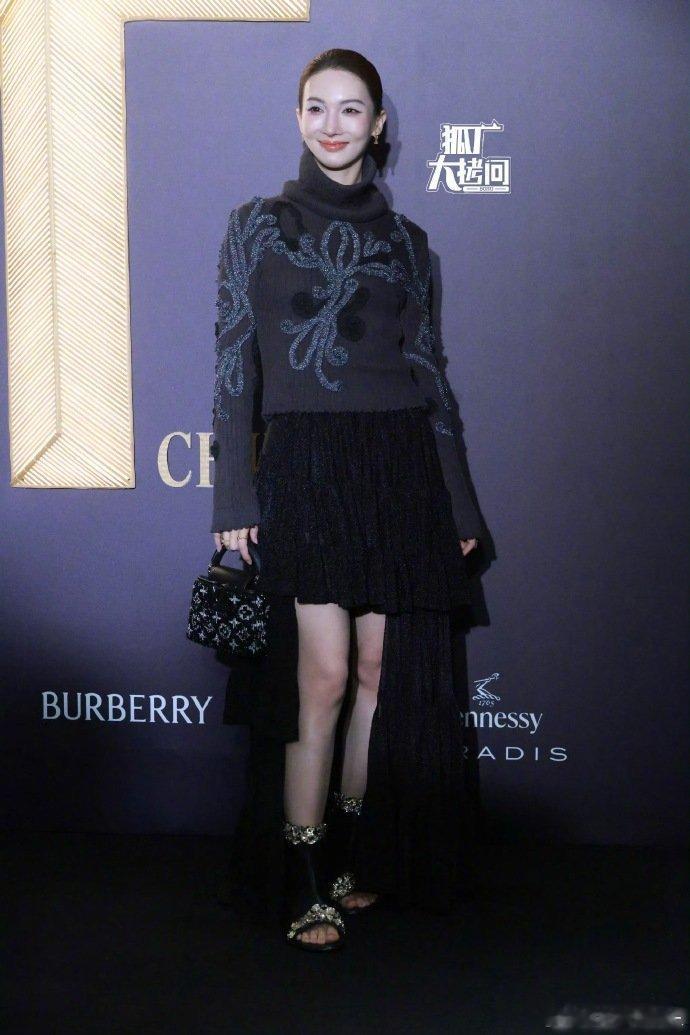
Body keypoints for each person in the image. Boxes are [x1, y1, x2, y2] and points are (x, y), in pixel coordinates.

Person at [211, 48, 483, 953]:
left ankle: (354, 857)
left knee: (376, 677)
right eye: (317, 107)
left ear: (379, 125)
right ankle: (302, 870)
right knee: (320, 679)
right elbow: (233, 367)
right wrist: (234, 492)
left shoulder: (410, 243)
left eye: (352, 108)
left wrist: (460, 509)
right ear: (298, 117)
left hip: (399, 464)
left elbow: (430, 378)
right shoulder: (255, 226)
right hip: (308, 464)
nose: (333, 124)